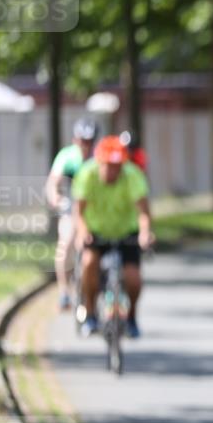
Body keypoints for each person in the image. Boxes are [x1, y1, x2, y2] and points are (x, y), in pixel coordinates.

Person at [72, 135, 153, 339]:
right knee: (89, 263)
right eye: (108, 165)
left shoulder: (132, 175)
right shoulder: (87, 174)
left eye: (117, 166)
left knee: (133, 279)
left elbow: (143, 211)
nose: (112, 171)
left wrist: (145, 233)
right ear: (99, 162)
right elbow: (78, 211)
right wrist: (82, 232)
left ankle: (132, 317)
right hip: (96, 232)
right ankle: (90, 314)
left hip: (126, 233)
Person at [45, 117, 99, 311]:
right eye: (82, 140)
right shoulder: (67, 157)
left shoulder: (98, 158)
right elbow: (53, 183)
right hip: (70, 206)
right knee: (66, 243)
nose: (86, 145)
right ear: (75, 140)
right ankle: (64, 292)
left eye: (90, 141)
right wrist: (56, 199)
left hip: (94, 208)